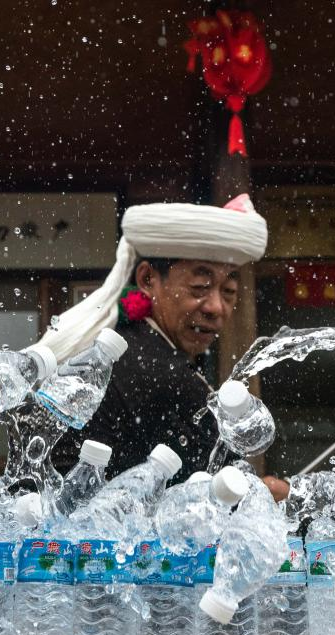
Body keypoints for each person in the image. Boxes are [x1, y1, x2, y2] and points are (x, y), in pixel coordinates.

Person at [39, 195, 288, 500]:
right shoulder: (162, 373)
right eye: (200, 287)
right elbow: (228, 497)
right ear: (147, 279)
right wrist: (271, 492)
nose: (216, 307)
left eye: (229, 291)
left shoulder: (124, 343)